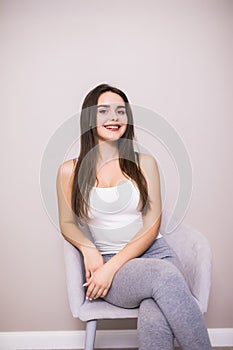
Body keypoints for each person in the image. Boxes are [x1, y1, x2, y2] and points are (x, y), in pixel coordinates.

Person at [56, 83, 211, 350]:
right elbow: (67, 222)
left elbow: (152, 226)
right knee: (166, 277)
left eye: (120, 111)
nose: (114, 118)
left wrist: (109, 268)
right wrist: (89, 249)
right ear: (89, 119)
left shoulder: (145, 163)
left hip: (155, 256)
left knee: (155, 312)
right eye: (103, 111)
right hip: (113, 269)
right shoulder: (69, 171)